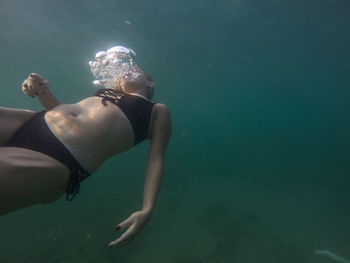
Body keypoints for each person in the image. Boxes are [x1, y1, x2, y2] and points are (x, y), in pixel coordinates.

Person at [0, 62, 171, 248]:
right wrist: (43, 92)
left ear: (149, 81)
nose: (126, 71)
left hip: (56, 159)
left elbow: (156, 158)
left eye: (134, 69)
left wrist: (147, 209)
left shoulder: (157, 110)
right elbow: (66, 115)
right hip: (30, 121)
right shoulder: (104, 92)